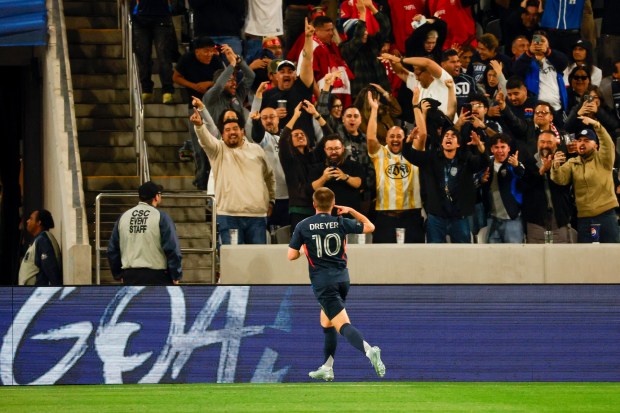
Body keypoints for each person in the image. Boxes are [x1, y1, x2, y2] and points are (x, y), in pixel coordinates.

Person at [288, 187, 385, 381]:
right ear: (333, 204)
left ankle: (369, 350)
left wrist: (304, 251)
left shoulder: (303, 225)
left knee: (343, 325)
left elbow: (291, 255)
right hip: (342, 279)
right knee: (326, 322)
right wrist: (351, 211)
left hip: (323, 283)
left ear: (314, 204)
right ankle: (327, 367)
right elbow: (370, 227)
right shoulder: (340, 222)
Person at [191, 97, 276, 245]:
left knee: (257, 260)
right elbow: (206, 140)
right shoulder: (217, 150)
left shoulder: (257, 150)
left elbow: (269, 177)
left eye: (235, 129)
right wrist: (199, 126)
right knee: (233, 262)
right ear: (222, 135)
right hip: (228, 216)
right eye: (227, 130)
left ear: (242, 131)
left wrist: (272, 201)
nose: (232, 132)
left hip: (257, 216)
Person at [403, 125, 488, 243]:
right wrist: (409, 141)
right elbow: (410, 155)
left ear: (458, 144)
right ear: (442, 142)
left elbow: (484, 162)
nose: (449, 138)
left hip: (459, 217)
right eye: (446, 136)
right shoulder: (431, 158)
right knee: (435, 255)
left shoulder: (466, 159)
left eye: (453, 136)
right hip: (436, 217)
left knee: (462, 254)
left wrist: (480, 146)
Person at [366, 91, 425, 244]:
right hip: (386, 217)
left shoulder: (413, 153)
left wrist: (415, 106)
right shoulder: (380, 154)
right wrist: (373, 109)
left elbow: (423, 135)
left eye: (399, 136)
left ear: (404, 138)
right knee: (383, 258)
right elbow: (371, 138)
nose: (395, 139)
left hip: (411, 216)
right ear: (386, 139)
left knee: (414, 258)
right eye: (391, 136)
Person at [550, 117, 620, 243]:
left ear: (596, 145)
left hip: (605, 216)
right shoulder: (573, 162)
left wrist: (597, 125)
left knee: (611, 256)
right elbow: (560, 179)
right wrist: (555, 167)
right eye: (579, 140)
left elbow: (608, 143)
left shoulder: (604, 159)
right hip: (584, 219)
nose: (582, 143)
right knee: (586, 258)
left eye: (587, 141)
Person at [173, 36, 223, 190]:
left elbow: (224, 77)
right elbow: (176, 77)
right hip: (195, 107)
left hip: (214, 106)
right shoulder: (187, 59)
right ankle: (201, 180)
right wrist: (193, 86)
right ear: (196, 51)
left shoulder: (215, 60)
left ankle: (216, 177)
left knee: (216, 143)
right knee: (198, 147)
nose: (209, 54)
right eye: (205, 51)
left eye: (212, 51)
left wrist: (209, 84)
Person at [107, 181, 182, 285]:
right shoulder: (161, 217)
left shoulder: (123, 217)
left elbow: (112, 250)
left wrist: (118, 274)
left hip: (129, 275)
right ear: (156, 197)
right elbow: (172, 248)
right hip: (157, 276)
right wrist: (175, 274)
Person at [262, 19, 316, 147]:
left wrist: (308, 38)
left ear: (295, 75)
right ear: (276, 76)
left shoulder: (302, 88)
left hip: (305, 144)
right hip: (280, 146)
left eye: (290, 71)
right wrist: (274, 115)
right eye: (282, 71)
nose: (286, 74)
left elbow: (307, 60)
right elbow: (262, 121)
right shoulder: (268, 95)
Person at [521, 130, 575, 243]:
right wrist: (541, 171)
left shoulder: (563, 162)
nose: (545, 145)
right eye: (542, 142)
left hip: (559, 218)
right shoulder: (527, 163)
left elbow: (566, 186)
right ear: (537, 143)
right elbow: (524, 187)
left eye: (549, 142)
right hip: (535, 220)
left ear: (556, 144)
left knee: (561, 256)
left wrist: (554, 168)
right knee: (535, 257)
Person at [339, 0, 392, 99]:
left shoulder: (372, 42)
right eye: (363, 30)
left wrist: (371, 7)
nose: (366, 33)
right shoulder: (345, 48)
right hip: (361, 97)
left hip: (382, 93)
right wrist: (362, 13)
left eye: (366, 29)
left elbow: (386, 27)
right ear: (351, 33)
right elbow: (358, 39)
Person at [513, 30, 569, 124]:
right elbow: (516, 70)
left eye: (542, 41)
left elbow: (564, 62)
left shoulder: (554, 58)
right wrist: (529, 52)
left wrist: (547, 51)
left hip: (557, 108)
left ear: (548, 44)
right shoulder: (527, 60)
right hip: (536, 110)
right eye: (536, 41)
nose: (539, 43)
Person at [131, 0, 178, 104]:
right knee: (143, 56)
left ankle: (167, 90)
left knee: (163, 56)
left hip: (162, 15)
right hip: (141, 17)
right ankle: (146, 89)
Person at [481, 134, 526, 243]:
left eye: (503, 147)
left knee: (514, 257)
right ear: (491, 149)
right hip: (492, 219)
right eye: (496, 147)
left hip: (512, 220)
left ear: (509, 148)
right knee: (493, 257)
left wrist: (516, 166)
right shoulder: (486, 165)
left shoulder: (513, 163)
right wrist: (482, 181)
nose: (500, 150)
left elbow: (522, 174)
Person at [310, 135, 364, 212]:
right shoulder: (317, 168)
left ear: (343, 149)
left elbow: (359, 183)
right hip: (326, 215)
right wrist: (324, 178)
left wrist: (345, 177)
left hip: (350, 213)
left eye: (337, 148)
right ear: (325, 150)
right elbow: (313, 188)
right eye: (330, 149)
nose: (333, 152)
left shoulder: (354, 165)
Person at [18, 209, 62, 286]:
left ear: (39, 222)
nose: (28, 221)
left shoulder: (43, 241)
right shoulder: (39, 240)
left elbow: (51, 269)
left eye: (31, 219)